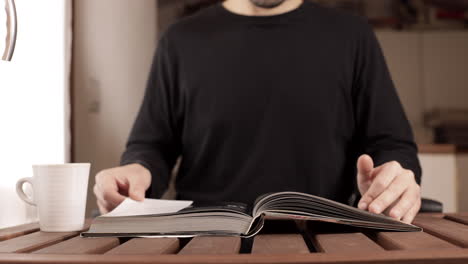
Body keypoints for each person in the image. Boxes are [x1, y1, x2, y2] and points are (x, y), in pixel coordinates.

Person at [94, 0, 422, 223]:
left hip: (323, 239)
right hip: (204, 239)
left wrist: (396, 177)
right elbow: (152, 147)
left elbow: (393, 145)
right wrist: (138, 171)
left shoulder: (353, 36)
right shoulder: (179, 40)